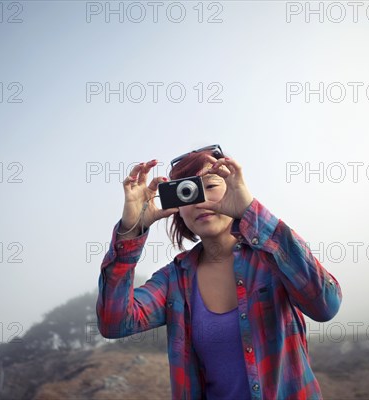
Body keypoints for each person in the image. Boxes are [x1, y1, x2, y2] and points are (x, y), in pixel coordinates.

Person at [96, 145, 342, 399]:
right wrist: (131, 229)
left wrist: (251, 211)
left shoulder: (271, 256)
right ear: (177, 209)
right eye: (186, 192)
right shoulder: (174, 280)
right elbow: (114, 323)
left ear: (232, 188)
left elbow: (326, 305)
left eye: (210, 186)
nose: (199, 201)